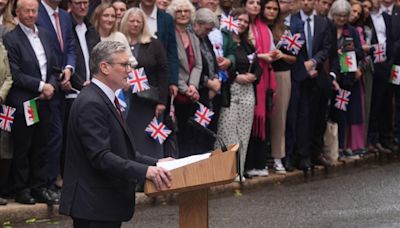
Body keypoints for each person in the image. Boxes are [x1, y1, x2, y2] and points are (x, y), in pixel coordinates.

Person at [59, 41, 172, 228]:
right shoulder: (91, 103)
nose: (129, 70)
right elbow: (101, 157)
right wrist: (145, 172)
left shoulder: (103, 98)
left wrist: (156, 163)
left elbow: (120, 151)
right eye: (124, 65)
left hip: (103, 206)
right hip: (94, 207)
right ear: (104, 67)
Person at [3, 0, 59, 205]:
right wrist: (40, 86)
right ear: (17, 13)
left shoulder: (44, 34)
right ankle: (21, 189)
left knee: (41, 145)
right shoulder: (12, 38)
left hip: (45, 100)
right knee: (23, 146)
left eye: (34, 10)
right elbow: (16, 74)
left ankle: (39, 187)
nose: (31, 14)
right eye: (27, 10)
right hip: (26, 102)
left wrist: (51, 86)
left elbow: (54, 66)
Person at [36, 0, 76, 197]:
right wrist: (55, 77)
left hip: (62, 86)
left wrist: (69, 69)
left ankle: (51, 183)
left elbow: (69, 47)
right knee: (45, 138)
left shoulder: (66, 16)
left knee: (57, 137)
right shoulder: (36, 10)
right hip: (43, 86)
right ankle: (42, 184)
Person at [217, 8, 262, 181]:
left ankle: (238, 172)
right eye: (239, 20)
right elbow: (221, 63)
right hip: (230, 90)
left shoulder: (247, 44)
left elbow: (257, 65)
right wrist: (236, 76)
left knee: (243, 134)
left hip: (247, 92)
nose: (242, 23)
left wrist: (254, 75)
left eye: (245, 21)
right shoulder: (224, 39)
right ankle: (223, 172)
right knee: (228, 133)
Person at [120, 8, 169, 160]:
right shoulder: (119, 43)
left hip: (148, 102)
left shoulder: (153, 44)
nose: (135, 24)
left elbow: (163, 72)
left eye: (138, 22)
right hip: (125, 100)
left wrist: (162, 101)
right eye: (132, 21)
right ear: (125, 22)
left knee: (148, 140)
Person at [291, 0, 333, 172]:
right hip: (299, 77)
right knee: (302, 118)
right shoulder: (293, 21)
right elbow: (291, 48)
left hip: (318, 76)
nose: (307, 2)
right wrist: (304, 66)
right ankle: (302, 155)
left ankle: (316, 153)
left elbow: (327, 47)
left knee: (318, 117)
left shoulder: (324, 23)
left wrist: (314, 61)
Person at [61, 0, 100, 178]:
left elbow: (97, 58)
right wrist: (79, 84)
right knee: (69, 139)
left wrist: (93, 80)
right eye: (78, 3)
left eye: (85, 2)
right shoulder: (64, 25)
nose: (83, 6)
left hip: (91, 89)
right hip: (72, 92)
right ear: (70, 4)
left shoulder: (91, 29)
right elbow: (65, 58)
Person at [243, 0, 277, 178]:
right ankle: (247, 164)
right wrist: (261, 56)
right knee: (248, 121)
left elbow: (271, 50)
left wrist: (272, 54)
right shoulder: (242, 23)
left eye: (258, 3)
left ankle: (259, 163)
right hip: (247, 77)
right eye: (251, 2)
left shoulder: (265, 27)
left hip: (264, 77)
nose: (255, 6)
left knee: (262, 121)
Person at [166, 0, 203, 157]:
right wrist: (184, 87)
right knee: (177, 135)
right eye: (179, 11)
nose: (182, 14)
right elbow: (170, 63)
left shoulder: (193, 36)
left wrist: (193, 86)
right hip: (176, 93)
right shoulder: (170, 34)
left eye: (186, 11)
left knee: (191, 135)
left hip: (191, 94)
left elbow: (198, 65)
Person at [329, 0, 365, 158]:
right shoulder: (327, 28)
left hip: (346, 79)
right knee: (327, 111)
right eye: (339, 16)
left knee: (342, 111)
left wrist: (346, 50)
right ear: (333, 15)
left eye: (345, 16)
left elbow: (360, 52)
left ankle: (342, 146)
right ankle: (328, 146)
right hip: (329, 76)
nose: (342, 19)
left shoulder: (352, 31)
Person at [265, 0, 297, 174]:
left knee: (279, 118)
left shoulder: (285, 31)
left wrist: (282, 55)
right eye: (268, 8)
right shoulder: (256, 27)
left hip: (281, 74)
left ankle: (278, 156)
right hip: (261, 74)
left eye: (274, 9)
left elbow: (294, 58)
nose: (271, 11)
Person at [140, 0, 179, 97]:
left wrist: (173, 81)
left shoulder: (166, 19)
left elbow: (172, 51)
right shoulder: (131, 14)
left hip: (159, 76)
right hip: (136, 74)